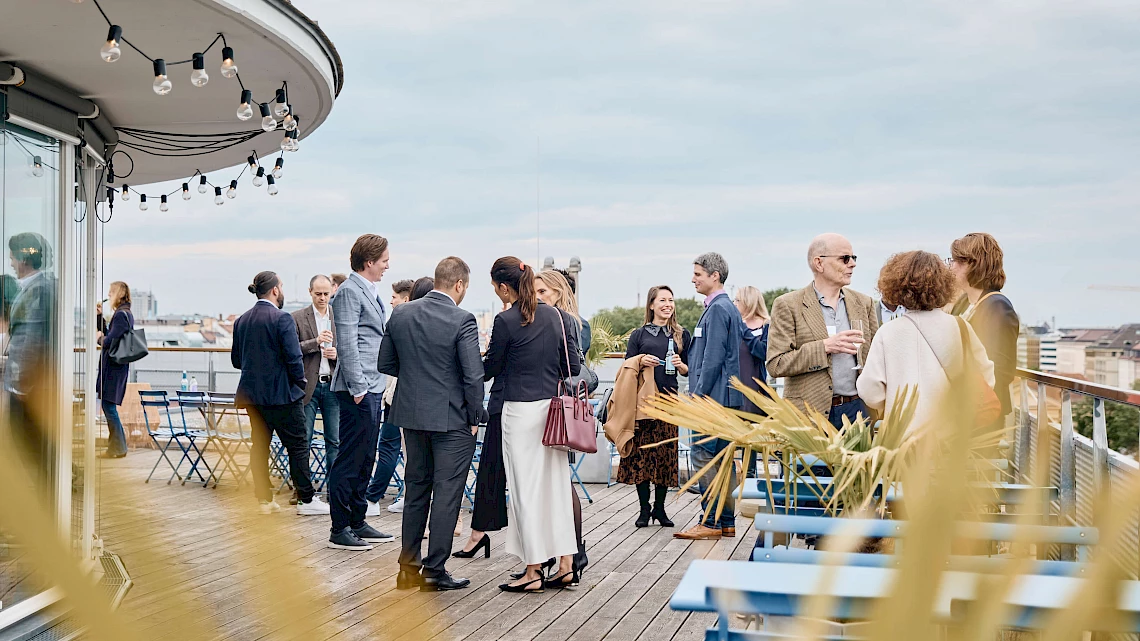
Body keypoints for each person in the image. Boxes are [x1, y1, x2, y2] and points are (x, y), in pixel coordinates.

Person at [378, 257, 487, 592]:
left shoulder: (401, 313)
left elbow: (385, 362)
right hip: (452, 418)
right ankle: (435, 571)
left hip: (411, 415)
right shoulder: (462, 319)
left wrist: (417, 380)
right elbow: (473, 375)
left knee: (416, 490)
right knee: (447, 494)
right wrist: (475, 416)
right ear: (459, 284)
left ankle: (408, 570)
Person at [483, 257, 580, 593]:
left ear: (503, 287)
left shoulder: (505, 320)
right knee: (556, 490)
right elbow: (573, 365)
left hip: (519, 413)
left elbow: (490, 368)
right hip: (551, 412)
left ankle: (533, 569)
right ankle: (565, 564)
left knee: (525, 492)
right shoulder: (555, 315)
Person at [858, 251, 996, 428]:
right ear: (944, 285)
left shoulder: (888, 332)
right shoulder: (960, 327)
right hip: (951, 430)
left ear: (895, 287)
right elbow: (986, 375)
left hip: (903, 431)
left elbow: (870, 391)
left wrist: (890, 403)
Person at [231, 271, 329, 516]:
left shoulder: (242, 321)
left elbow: (236, 361)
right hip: (283, 395)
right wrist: (300, 384)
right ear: (275, 290)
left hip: (253, 396)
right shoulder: (282, 318)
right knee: (297, 446)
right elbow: (294, 357)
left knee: (259, 446)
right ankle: (306, 498)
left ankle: (264, 499)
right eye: (282, 286)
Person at [767, 234, 879, 427]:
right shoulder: (788, 305)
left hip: (858, 412)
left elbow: (875, 358)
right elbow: (776, 365)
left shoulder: (864, 303)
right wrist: (824, 347)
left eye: (853, 258)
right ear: (819, 263)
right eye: (845, 258)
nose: (852, 264)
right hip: (808, 415)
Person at [327, 234, 395, 551]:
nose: (387, 266)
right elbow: (346, 343)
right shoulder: (349, 292)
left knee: (366, 457)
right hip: (359, 388)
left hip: (372, 385)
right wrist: (358, 388)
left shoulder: (368, 291)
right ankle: (339, 528)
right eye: (384, 260)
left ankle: (357, 521)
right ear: (369, 262)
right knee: (350, 458)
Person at [674, 252, 745, 541]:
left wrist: (697, 396)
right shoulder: (727, 307)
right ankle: (725, 521)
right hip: (725, 400)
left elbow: (712, 360)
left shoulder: (718, 309)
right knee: (723, 460)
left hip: (712, 401)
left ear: (714, 276)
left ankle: (711, 521)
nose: (693, 279)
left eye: (698, 274)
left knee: (704, 457)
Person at [617, 285, 690, 528]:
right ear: (651, 305)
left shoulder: (681, 335)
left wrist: (681, 366)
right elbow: (627, 366)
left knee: (665, 455)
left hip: (669, 401)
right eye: (662, 300)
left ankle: (660, 508)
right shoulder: (639, 335)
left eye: (671, 300)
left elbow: (689, 369)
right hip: (644, 403)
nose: (668, 304)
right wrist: (641, 360)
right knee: (642, 454)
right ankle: (644, 508)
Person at [533, 269, 590, 571]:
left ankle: (573, 551)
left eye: (543, 291)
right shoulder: (569, 321)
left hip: (558, 409)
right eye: (535, 292)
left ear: (558, 292)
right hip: (555, 407)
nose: (537, 297)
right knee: (554, 483)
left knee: (559, 482)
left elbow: (572, 365)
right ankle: (565, 552)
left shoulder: (569, 322)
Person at [948, 233, 1019, 422]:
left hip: (982, 413)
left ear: (974, 263)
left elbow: (1002, 370)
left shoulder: (997, 306)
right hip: (962, 410)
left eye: (956, 261)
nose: (952, 266)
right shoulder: (964, 302)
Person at [6, 232, 56, 480]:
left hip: (29, 387)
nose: (11, 263)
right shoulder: (37, 287)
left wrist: (21, 385)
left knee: (29, 446)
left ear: (24, 260)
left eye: (13, 258)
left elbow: (32, 339)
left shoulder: (39, 290)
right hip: (30, 385)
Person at [366, 278, 414, 515]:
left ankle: (372, 498)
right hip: (413, 397)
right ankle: (409, 496)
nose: (391, 301)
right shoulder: (420, 323)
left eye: (394, 297)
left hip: (396, 396)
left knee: (388, 447)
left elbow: (385, 363)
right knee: (411, 451)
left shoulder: (397, 323)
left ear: (406, 299)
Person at [291, 275, 339, 487]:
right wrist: (315, 342)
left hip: (332, 385)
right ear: (310, 292)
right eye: (318, 293)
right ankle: (303, 490)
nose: (322, 298)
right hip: (308, 386)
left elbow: (349, 348)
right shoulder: (297, 317)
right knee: (304, 439)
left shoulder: (338, 316)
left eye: (326, 294)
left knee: (334, 440)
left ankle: (334, 488)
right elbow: (291, 349)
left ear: (332, 292)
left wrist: (337, 354)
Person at [734, 286, 770, 477]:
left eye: (737, 300)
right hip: (733, 389)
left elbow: (763, 352)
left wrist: (745, 331)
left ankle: (749, 478)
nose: (734, 304)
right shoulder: (734, 325)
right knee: (731, 436)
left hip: (755, 391)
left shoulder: (766, 326)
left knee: (751, 439)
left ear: (748, 302)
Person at [96, 281, 134, 459]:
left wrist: (99, 339)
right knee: (109, 406)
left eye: (111, 292)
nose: (109, 295)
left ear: (118, 294)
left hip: (113, 369)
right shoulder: (124, 313)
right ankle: (117, 447)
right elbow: (112, 335)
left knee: (109, 407)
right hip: (117, 367)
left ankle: (118, 448)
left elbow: (109, 341)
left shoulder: (120, 315)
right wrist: (99, 318)